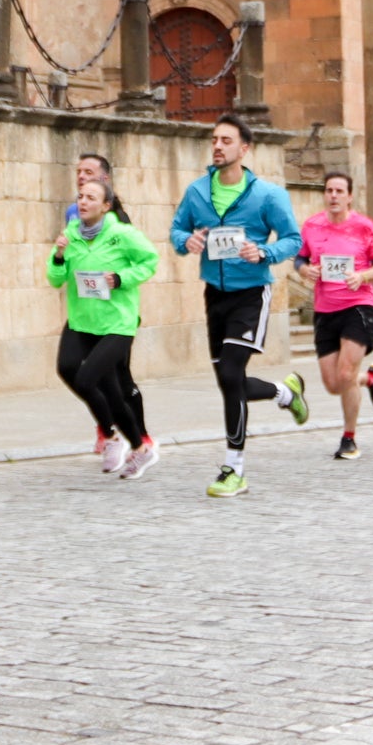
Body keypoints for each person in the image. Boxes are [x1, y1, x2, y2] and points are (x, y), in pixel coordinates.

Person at [167, 113, 306, 497]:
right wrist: (187, 241)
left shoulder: (268, 195)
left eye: (226, 141)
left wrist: (263, 252)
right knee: (229, 382)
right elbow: (176, 231)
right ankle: (285, 393)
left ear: (244, 149)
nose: (217, 146)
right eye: (214, 139)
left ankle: (234, 468)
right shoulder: (197, 192)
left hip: (251, 294)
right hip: (215, 294)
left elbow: (293, 240)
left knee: (231, 375)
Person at [47, 159, 161, 479]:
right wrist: (57, 256)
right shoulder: (71, 234)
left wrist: (121, 278)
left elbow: (150, 261)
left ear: (106, 206)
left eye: (91, 198)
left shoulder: (122, 234)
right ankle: (128, 445)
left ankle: (127, 441)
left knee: (90, 380)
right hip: (83, 320)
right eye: (80, 197)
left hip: (117, 323)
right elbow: (55, 278)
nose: (83, 202)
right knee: (68, 369)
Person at [298, 170, 373, 459]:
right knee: (333, 384)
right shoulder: (312, 226)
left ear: (350, 197)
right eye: (329, 191)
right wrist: (305, 270)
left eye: (339, 191)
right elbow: (300, 258)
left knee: (346, 372)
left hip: (358, 307)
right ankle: (370, 379)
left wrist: (362, 277)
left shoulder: (364, 227)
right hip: (325, 310)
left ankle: (349, 438)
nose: (333, 196)